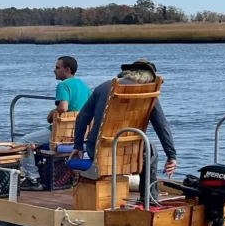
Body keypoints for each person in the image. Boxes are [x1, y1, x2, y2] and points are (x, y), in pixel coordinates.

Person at [68, 58, 177, 201]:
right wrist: (171, 156)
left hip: (99, 151)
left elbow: (82, 117)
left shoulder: (103, 87)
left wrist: (78, 145)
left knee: (146, 147)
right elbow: (162, 126)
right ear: (149, 78)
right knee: (150, 149)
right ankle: (149, 198)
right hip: (131, 155)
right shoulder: (148, 93)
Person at [18, 56, 91, 191]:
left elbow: (63, 107)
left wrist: (52, 113)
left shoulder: (63, 85)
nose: (54, 71)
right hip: (78, 135)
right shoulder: (83, 85)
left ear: (67, 70)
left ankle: (33, 178)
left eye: (57, 68)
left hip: (59, 134)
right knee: (34, 141)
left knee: (24, 142)